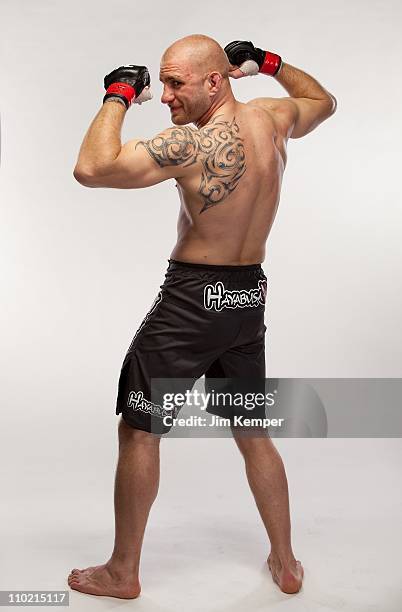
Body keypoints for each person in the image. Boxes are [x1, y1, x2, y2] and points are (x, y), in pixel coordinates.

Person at [69, 34, 336, 599]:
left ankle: (123, 571)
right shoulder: (272, 117)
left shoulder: (189, 145)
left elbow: (92, 168)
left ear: (215, 80)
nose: (163, 94)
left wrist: (117, 94)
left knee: (140, 429)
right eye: (159, 83)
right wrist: (269, 65)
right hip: (245, 300)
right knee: (252, 431)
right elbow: (322, 102)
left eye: (175, 82)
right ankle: (286, 563)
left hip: (193, 303)